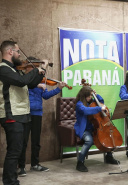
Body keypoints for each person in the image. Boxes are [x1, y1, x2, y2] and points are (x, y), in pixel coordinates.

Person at [0, 40, 47, 185]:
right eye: (18, 51)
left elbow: (30, 83)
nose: (19, 54)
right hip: (11, 114)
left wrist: (41, 72)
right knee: (14, 151)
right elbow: (21, 81)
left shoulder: (14, 69)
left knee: (17, 149)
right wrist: (34, 70)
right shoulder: (3, 69)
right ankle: (10, 182)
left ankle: (11, 180)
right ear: (10, 52)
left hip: (20, 114)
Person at [17, 61, 67, 177]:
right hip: (25, 112)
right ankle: (21, 166)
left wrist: (58, 88)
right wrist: (36, 84)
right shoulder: (22, 79)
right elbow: (23, 87)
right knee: (23, 141)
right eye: (30, 68)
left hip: (37, 113)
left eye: (34, 68)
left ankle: (35, 164)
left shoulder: (41, 79)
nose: (32, 70)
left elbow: (45, 96)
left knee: (36, 141)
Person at [74, 86, 120, 172]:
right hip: (84, 129)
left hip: (95, 128)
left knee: (108, 137)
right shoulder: (79, 104)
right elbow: (86, 110)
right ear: (83, 96)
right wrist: (99, 108)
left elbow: (101, 102)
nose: (90, 98)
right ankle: (80, 162)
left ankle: (109, 157)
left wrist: (96, 95)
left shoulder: (92, 102)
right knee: (89, 141)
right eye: (88, 96)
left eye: (90, 96)